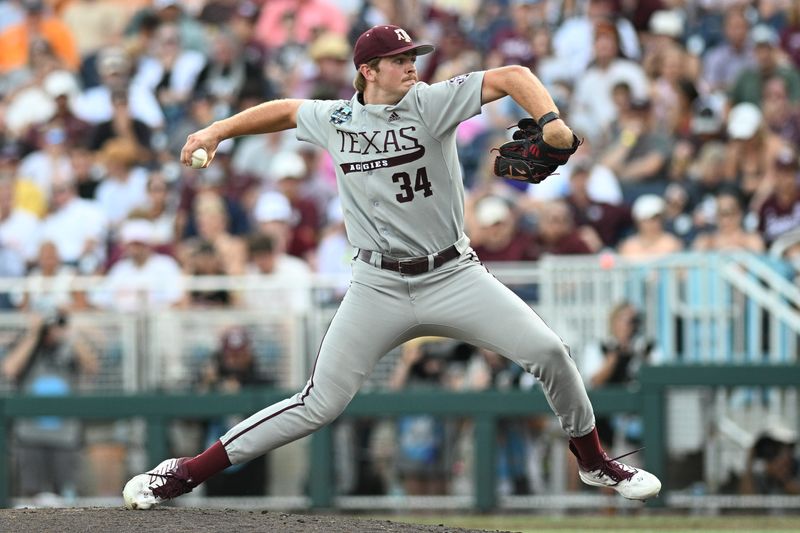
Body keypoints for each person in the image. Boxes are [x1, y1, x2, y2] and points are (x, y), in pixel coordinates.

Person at [123, 23, 661, 509]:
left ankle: (594, 462)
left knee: (549, 351)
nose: (412, 66)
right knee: (318, 404)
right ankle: (183, 473)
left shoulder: (431, 103)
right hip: (376, 284)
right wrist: (217, 130)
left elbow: (513, 74)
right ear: (368, 71)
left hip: (453, 274)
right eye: (401, 59)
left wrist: (552, 122)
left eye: (414, 56)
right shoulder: (337, 118)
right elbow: (286, 109)